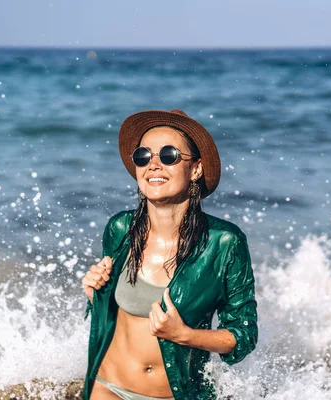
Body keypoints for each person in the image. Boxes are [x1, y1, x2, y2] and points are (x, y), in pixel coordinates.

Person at [82, 109, 258, 400]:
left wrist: (184, 335)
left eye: (169, 155)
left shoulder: (224, 242)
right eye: (143, 156)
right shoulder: (120, 228)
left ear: (196, 168)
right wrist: (95, 292)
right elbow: (113, 313)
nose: (153, 165)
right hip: (107, 386)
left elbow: (243, 335)